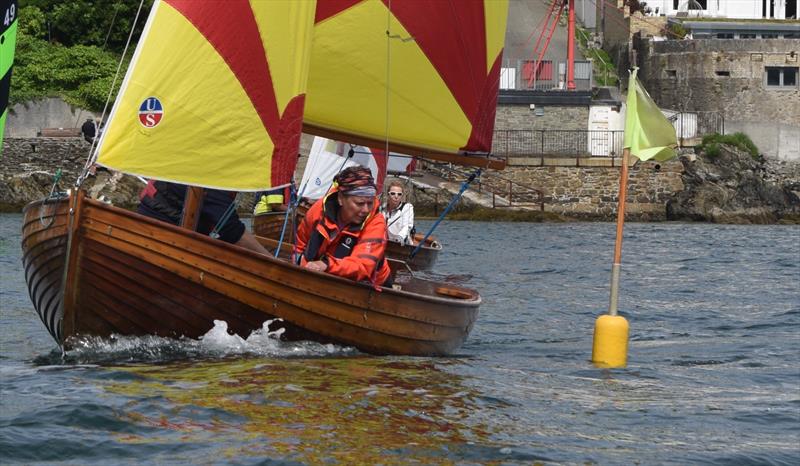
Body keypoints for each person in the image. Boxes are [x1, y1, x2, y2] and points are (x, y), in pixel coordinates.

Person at [294, 166, 392, 287]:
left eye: (370, 203)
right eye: (359, 203)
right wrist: (299, 271)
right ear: (340, 199)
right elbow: (300, 245)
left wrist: (326, 265)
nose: (366, 209)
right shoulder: (319, 210)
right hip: (321, 278)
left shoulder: (376, 223)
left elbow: (362, 266)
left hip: (371, 288)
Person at [138, 180, 270, 255]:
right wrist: (271, 260)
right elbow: (232, 231)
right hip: (161, 234)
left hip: (148, 224)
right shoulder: (212, 180)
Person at [381, 180, 415, 245]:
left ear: (402, 196)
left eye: (399, 194)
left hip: (402, 244)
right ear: (388, 194)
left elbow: (407, 226)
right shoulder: (382, 208)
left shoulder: (407, 207)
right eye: (393, 193)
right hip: (384, 242)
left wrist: (400, 237)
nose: (396, 196)